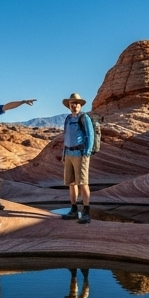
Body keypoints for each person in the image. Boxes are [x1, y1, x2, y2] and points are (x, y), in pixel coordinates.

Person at [57, 92, 95, 223]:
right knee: (71, 183)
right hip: (68, 154)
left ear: (80, 105)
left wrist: (87, 153)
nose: (74, 105)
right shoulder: (68, 119)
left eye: (77, 103)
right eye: (72, 103)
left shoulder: (84, 118)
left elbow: (90, 136)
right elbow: (66, 136)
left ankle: (86, 211)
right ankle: (74, 210)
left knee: (83, 183)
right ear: (69, 105)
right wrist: (63, 154)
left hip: (80, 154)